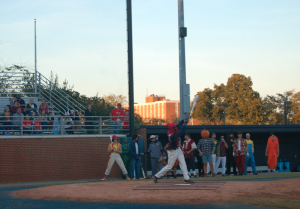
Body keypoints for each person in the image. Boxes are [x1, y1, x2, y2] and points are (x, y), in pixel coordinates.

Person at [153, 118, 195, 184]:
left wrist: (184, 119)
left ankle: (186, 178)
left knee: (183, 163)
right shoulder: (172, 135)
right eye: (174, 128)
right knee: (169, 166)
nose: (176, 128)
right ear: (172, 129)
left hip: (178, 149)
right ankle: (156, 176)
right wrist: (185, 124)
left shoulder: (173, 130)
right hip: (172, 151)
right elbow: (182, 132)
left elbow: (178, 125)